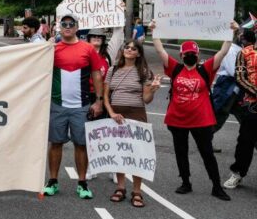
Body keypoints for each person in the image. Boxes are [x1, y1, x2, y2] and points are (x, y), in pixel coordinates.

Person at [149, 19, 237, 200]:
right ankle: (185, 182)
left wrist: (231, 33)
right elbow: (160, 50)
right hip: (177, 119)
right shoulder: (175, 68)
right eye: (187, 53)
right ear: (181, 56)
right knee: (181, 152)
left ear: (198, 56)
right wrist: (154, 31)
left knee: (207, 153)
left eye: (193, 54)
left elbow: (223, 51)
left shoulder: (206, 69)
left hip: (202, 121)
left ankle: (216, 186)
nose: (190, 56)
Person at [43, 13, 104, 199]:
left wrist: (99, 101)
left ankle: (82, 182)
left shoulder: (88, 49)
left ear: (77, 27)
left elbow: (96, 74)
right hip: (57, 105)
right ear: (59, 27)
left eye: (71, 24)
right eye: (64, 24)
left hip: (81, 105)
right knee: (56, 143)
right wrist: (46, 45)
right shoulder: (52, 48)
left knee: (81, 144)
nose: (67, 26)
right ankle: (52, 181)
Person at [104, 39, 162, 207]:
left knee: (137, 153)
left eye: (133, 48)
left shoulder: (144, 71)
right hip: (116, 115)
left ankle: (137, 190)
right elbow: (106, 95)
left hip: (137, 114)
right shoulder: (112, 70)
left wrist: (153, 90)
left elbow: (146, 99)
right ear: (123, 51)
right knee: (119, 152)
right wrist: (112, 113)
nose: (129, 50)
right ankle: (120, 187)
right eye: (127, 47)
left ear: (138, 53)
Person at [223, 28, 257, 189]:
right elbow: (240, 78)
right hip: (252, 105)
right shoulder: (244, 53)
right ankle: (237, 173)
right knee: (245, 141)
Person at [212, 29, 245, 140]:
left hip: (237, 90)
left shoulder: (242, 50)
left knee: (246, 117)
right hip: (227, 88)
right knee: (220, 115)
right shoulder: (231, 50)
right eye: (241, 35)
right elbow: (232, 71)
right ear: (237, 36)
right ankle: (205, 140)